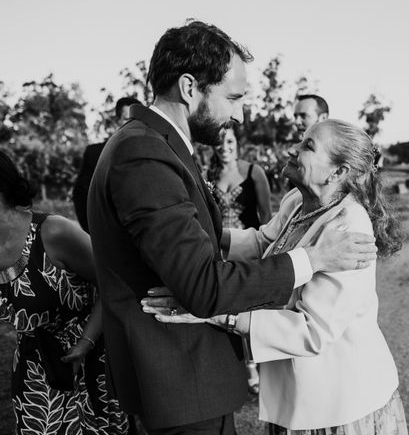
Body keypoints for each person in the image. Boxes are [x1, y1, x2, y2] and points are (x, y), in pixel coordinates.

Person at [87, 21, 377, 435]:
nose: (239, 115)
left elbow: (226, 242)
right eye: (234, 97)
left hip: (194, 381)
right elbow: (204, 285)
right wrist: (313, 259)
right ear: (190, 88)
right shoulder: (144, 154)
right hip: (179, 379)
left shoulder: (153, 145)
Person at [143, 119, 408, 434]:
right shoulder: (299, 202)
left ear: (338, 172)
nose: (293, 150)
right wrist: (200, 235)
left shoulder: (349, 229)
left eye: (308, 146)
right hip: (296, 397)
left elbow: (313, 331)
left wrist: (215, 312)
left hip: (337, 403)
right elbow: (262, 244)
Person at [0, 150, 128, 434]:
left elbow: (115, 282)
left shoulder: (53, 232)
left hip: (90, 361)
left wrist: (86, 342)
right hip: (34, 372)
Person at [206, 124, 272, 394]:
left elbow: (267, 214)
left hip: (248, 245)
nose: (225, 148)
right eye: (220, 144)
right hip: (223, 248)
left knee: (252, 306)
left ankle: (258, 363)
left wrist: (269, 253)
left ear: (237, 143)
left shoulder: (254, 172)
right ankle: (245, 366)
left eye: (230, 142)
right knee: (230, 307)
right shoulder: (208, 174)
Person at [72, 96, 141, 232]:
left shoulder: (153, 152)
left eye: (137, 120)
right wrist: (94, 231)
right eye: (127, 120)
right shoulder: (95, 153)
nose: (133, 125)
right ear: (117, 121)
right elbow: (81, 195)